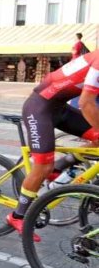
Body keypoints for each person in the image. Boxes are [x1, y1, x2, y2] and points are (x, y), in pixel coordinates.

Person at [8, 48, 99, 240]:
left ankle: (61, 165)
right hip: (39, 108)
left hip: (61, 108)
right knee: (43, 166)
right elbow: (86, 102)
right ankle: (18, 216)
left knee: (96, 140)